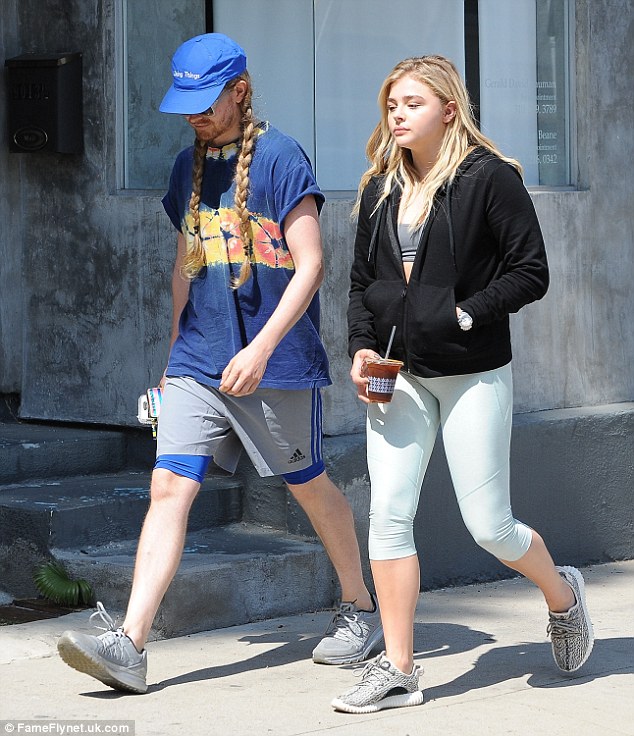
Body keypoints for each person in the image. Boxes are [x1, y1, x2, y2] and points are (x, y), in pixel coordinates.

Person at [56, 33, 382, 694]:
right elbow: (186, 266)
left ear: (241, 90)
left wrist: (261, 349)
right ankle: (129, 644)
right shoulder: (187, 168)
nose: (195, 116)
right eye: (187, 104)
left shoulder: (282, 157)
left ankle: (360, 607)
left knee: (308, 486)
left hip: (276, 363)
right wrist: (173, 355)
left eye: (207, 102)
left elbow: (312, 264)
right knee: (168, 487)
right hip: (198, 361)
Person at [332, 55, 594, 714]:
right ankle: (398, 668)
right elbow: (362, 283)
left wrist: (466, 313)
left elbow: (531, 271)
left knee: (490, 528)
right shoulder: (380, 186)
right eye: (392, 104)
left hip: (473, 371)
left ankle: (562, 594)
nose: (397, 115)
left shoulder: (489, 178)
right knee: (389, 517)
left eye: (412, 103)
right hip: (398, 375)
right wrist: (361, 348)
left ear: (449, 110)